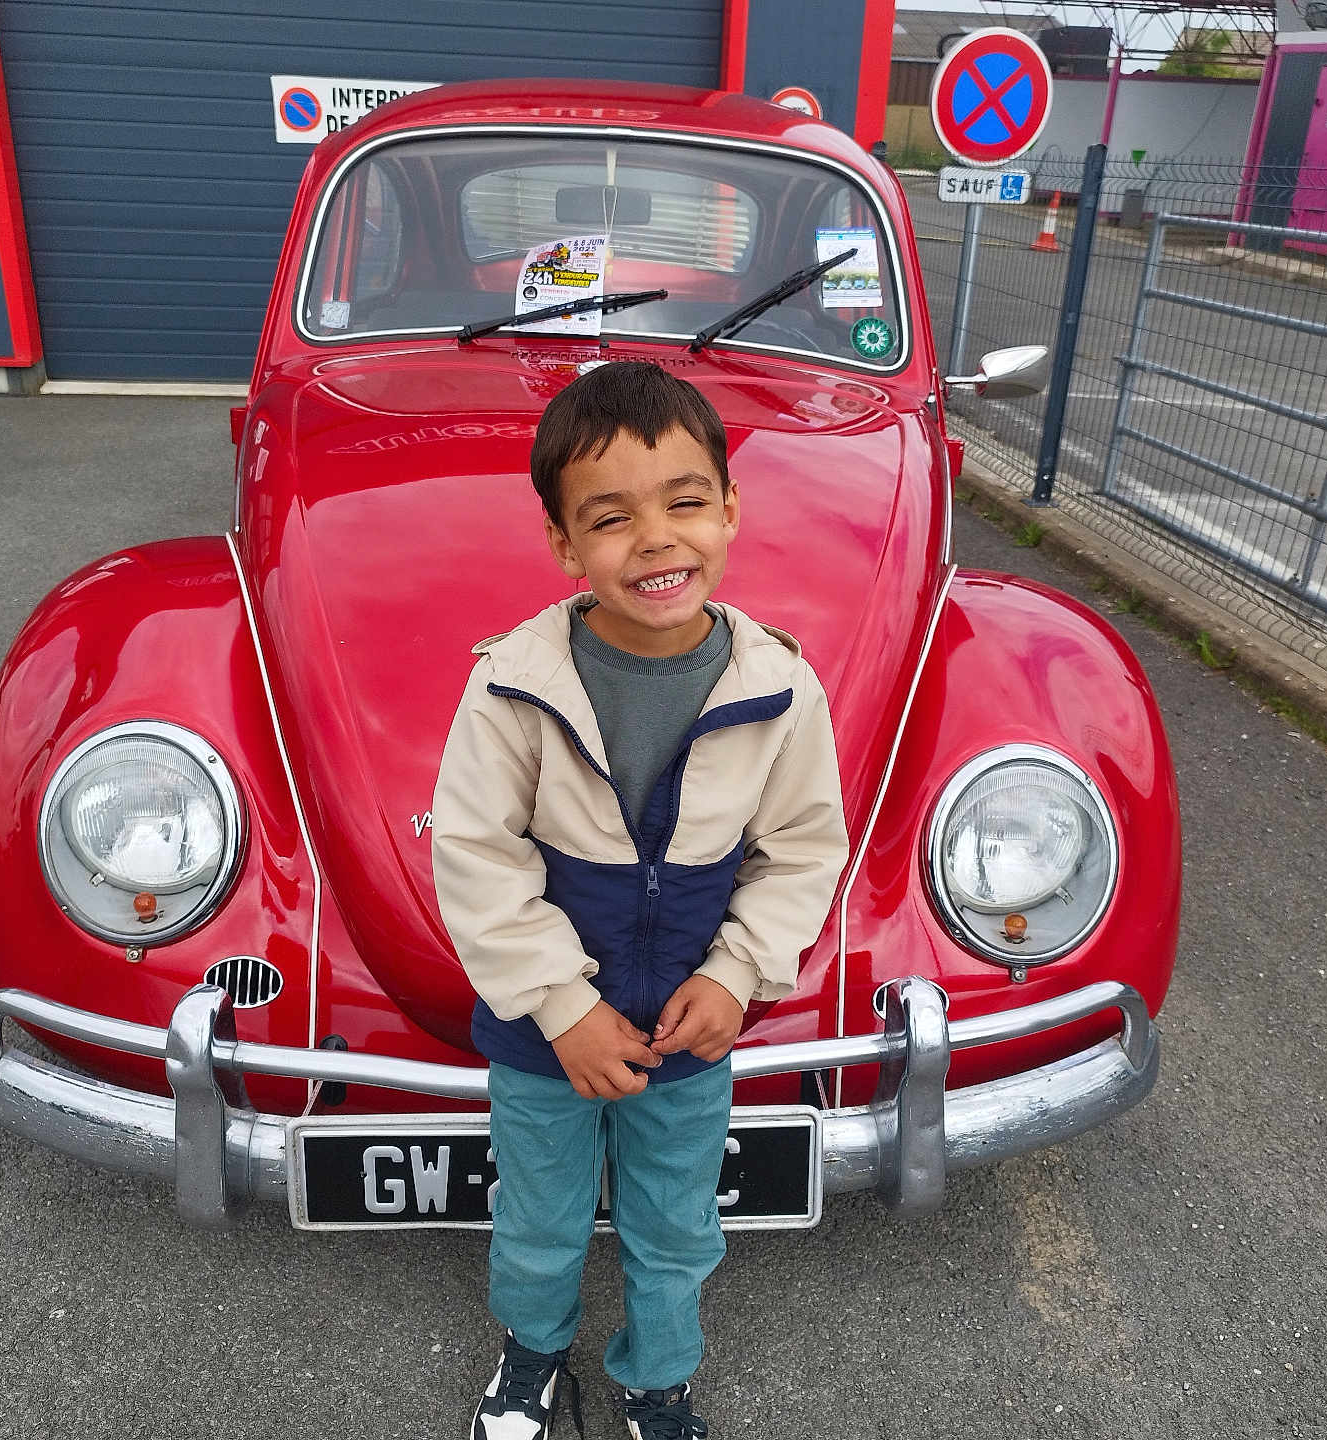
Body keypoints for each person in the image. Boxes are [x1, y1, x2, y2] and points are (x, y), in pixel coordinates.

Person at [431, 360, 849, 1440]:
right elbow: (477, 853)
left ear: (730, 510)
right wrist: (559, 1006)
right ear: (566, 547)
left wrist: (738, 974)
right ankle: (531, 1362)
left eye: (686, 502)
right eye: (610, 519)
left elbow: (803, 850)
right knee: (538, 1215)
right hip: (542, 1037)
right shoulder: (511, 682)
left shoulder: (779, 685)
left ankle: (658, 1376)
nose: (656, 539)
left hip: (690, 1028)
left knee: (676, 1221)